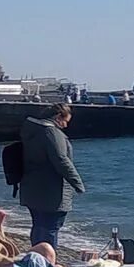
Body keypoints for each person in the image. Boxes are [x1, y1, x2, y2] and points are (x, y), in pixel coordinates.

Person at [17, 103, 85, 248]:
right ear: (58, 117)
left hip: (31, 188)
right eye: (65, 121)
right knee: (51, 228)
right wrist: (77, 183)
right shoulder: (51, 133)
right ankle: (48, 263)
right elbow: (61, 159)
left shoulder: (30, 131)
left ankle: (35, 258)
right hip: (51, 191)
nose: (65, 126)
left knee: (39, 226)